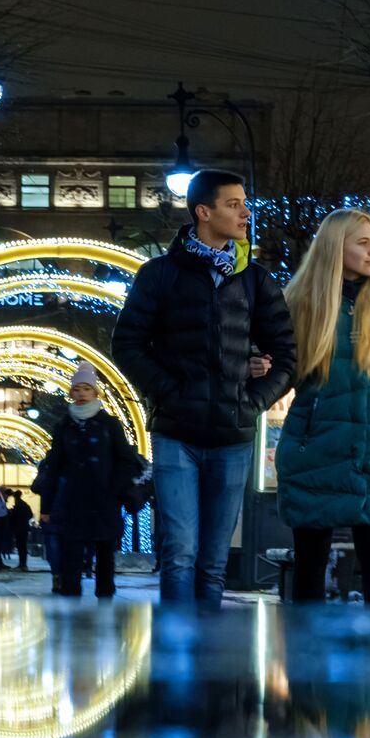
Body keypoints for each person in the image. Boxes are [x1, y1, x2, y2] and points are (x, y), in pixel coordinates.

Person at [112, 169, 296, 608]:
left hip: (233, 436)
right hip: (176, 432)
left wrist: (252, 402)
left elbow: (288, 356)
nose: (245, 212)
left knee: (213, 562)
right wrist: (168, 391)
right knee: (180, 554)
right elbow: (127, 343)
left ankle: (204, 663)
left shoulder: (255, 280)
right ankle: (177, 660)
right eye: (234, 204)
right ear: (203, 212)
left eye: (245, 203)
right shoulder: (160, 274)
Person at [275, 208, 370, 607]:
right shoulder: (299, 300)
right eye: (363, 242)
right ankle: (305, 664)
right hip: (314, 448)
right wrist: (258, 368)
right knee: (309, 567)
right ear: (337, 248)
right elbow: (280, 374)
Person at [32, 362, 145, 599]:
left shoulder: (109, 424)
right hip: (74, 501)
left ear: (95, 392)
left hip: (105, 500)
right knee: (72, 553)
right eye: (77, 389)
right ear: (71, 393)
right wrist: (47, 507)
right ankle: (71, 602)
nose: (81, 394)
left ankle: (105, 599)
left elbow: (127, 460)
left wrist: (114, 489)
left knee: (105, 553)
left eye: (86, 389)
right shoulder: (64, 426)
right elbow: (53, 468)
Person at [8, 489, 34, 570]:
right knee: (23, 546)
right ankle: (23, 564)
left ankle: (22, 564)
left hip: (18, 529)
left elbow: (13, 518)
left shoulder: (17, 506)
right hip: (25, 528)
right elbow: (31, 515)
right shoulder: (25, 505)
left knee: (20, 546)